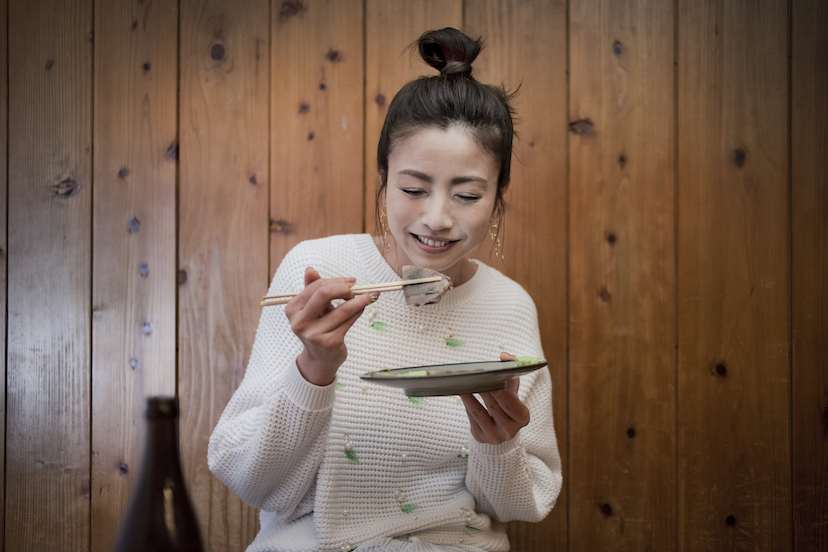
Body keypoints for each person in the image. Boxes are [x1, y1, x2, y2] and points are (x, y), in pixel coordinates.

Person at [208, 28, 562, 552]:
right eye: (413, 189)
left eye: (467, 194)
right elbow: (249, 479)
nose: (436, 218)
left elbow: (518, 508)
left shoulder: (509, 306)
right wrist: (314, 370)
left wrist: (500, 446)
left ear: (499, 194)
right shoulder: (318, 269)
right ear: (383, 175)